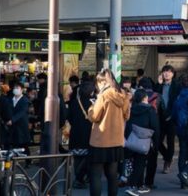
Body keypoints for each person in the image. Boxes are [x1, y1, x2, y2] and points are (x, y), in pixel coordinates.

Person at [87, 68, 131, 196]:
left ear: (102, 82)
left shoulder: (103, 95)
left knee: (95, 175)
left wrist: (91, 108)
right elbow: (126, 116)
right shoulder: (123, 94)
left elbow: (94, 116)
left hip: (100, 141)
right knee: (112, 176)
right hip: (116, 141)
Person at [123, 89, 159, 195]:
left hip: (131, 139)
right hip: (144, 141)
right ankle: (132, 186)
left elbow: (127, 124)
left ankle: (140, 185)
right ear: (145, 98)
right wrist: (156, 143)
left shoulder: (131, 109)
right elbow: (155, 127)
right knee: (140, 163)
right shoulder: (150, 110)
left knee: (134, 162)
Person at [68, 80, 95, 189]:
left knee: (78, 157)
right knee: (88, 157)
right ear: (91, 92)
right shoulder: (94, 103)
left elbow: (69, 117)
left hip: (76, 133)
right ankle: (83, 177)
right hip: (90, 133)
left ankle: (78, 178)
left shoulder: (74, 102)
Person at [137, 77, 162, 190]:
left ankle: (139, 182)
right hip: (153, 128)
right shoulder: (158, 96)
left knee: (140, 159)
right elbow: (164, 111)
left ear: (141, 86)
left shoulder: (136, 96)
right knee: (152, 158)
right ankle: (149, 182)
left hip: (138, 131)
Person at [157, 65, 181, 175]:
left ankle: (167, 163)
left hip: (172, 117)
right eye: (164, 72)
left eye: (169, 72)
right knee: (157, 140)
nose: (166, 74)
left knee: (171, 142)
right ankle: (167, 157)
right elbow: (154, 98)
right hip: (160, 117)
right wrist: (158, 84)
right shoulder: (159, 85)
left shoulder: (177, 85)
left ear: (173, 74)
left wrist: (173, 114)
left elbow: (178, 102)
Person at [173, 75, 188, 189]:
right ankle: (187, 175)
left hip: (180, 128)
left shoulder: (178, 96)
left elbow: (174, 113)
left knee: (182, 153)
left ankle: (182, 180)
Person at [8, 82, 31, 153]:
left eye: (17, 88)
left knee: (24, 144)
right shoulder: (10, 99)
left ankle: (28, 161)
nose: (15, 89)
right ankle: (15, 160)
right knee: (14, 143)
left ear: (22, 90)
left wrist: (12, 120)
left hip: (21, 125)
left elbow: (22, 112)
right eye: (14, 88)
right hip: (12, 125)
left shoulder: (25, 100)